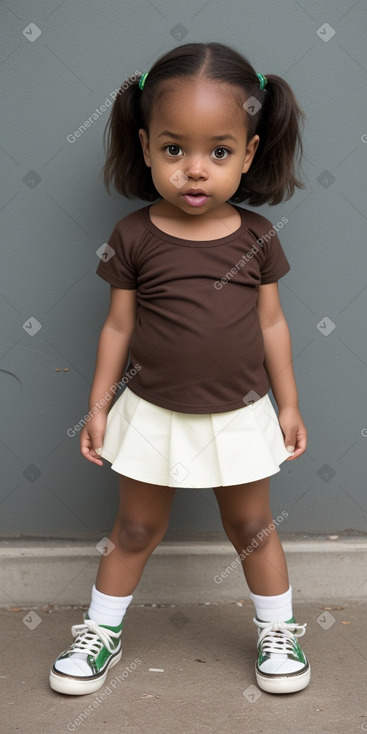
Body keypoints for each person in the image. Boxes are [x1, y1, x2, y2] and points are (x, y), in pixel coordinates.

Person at [50, 41, 310, 697]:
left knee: (251, 528)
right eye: (174, 150)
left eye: (217, 152)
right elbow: (117, 326)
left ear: (248, 154)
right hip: (152, 411)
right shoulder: (134, 235)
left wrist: (286, 404)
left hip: (240, 410)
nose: (194, 170)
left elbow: (271, 324)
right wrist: (99, 404)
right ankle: (100, 632)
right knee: (135, 527)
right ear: (144, 147)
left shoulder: (256, 237)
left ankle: (277, 632)